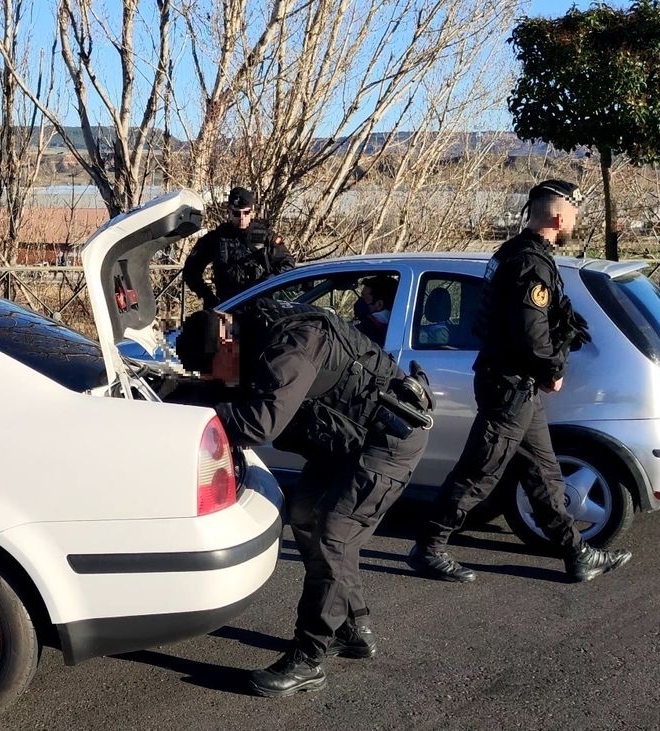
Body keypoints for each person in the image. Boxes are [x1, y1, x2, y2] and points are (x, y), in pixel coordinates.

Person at [176, 297, 433, 697]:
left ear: (226, 344)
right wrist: (182, 390)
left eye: (209, 369)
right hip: (346, 442)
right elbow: (235, 389)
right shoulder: (252, 334)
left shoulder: (292, 343)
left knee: (334, 535)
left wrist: (197, 407)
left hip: (388, 442)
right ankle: (353, 628)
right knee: (305, 516)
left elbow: (259, 424)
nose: (211, 379)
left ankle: (309, 658)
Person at [407, 179, 631, 584]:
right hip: (509, 386)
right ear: (559, 215)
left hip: (516, 387)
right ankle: (428, 545)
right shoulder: (529, 262)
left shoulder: (514, 253)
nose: (576, 219)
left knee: (543, 472)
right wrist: (553, 370)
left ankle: (575, 553)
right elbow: (531, 330)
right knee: (480, 471)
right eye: (575, 212)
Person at [182, 187, 295, 307]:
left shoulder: (266, 236)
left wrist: (267, 283)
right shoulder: (216, 238)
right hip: (227, 304)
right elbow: (190, 271)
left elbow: (287, 264)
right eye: (237, 213)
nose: (242, 218)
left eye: (246, 213)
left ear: (251, 212)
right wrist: (208, 296)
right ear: (229, 212)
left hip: (260, 305)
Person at [353, 275, 397, 347]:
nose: (360, 300)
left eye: (364, 297)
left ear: (379, 304)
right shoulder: (399, 328)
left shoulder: (361, 332)